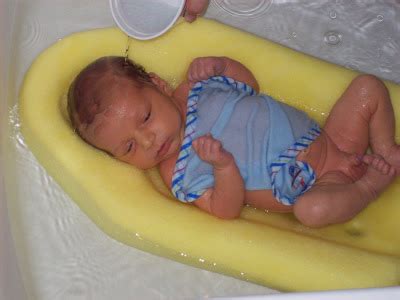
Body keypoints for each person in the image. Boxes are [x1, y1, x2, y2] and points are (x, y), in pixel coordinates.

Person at [67, 55, 398, 228]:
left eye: (145, 118)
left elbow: (249, 85)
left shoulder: (194, 87)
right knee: (310, 211)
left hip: (331, 138)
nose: (148, 140)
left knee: (367, 87)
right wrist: (224, 167)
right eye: (128, 148)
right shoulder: (177, 174)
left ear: (158, 85)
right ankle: (369, 186)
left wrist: (221, 66)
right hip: (317, 183)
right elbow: (225, 211)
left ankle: (385, 150)